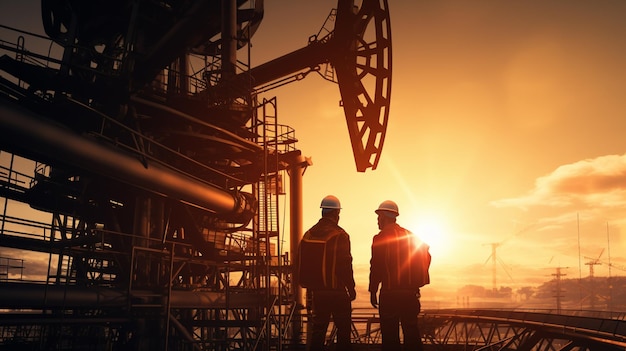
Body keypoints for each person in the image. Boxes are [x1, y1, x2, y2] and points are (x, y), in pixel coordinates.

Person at [369, 200, 431, 351]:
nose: (377, 221)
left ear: (384, 217)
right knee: (412, 334)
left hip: (390, 294)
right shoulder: (411, 237)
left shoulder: (380, 238)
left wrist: (373, 290)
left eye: (379, 217)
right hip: (410, 295)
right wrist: (416, 281)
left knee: (390, 337)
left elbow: (375, 266)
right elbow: (426, 256)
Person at [297, 195, 356, 351]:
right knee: (343, 331)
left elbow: (300, 263)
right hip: (337, 291)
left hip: (318, 293)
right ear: (336, 214)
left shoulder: (308, 235)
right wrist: (351, 288)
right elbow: (345, 264)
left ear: (323, 212)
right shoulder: (340, 234)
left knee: (318, 332)